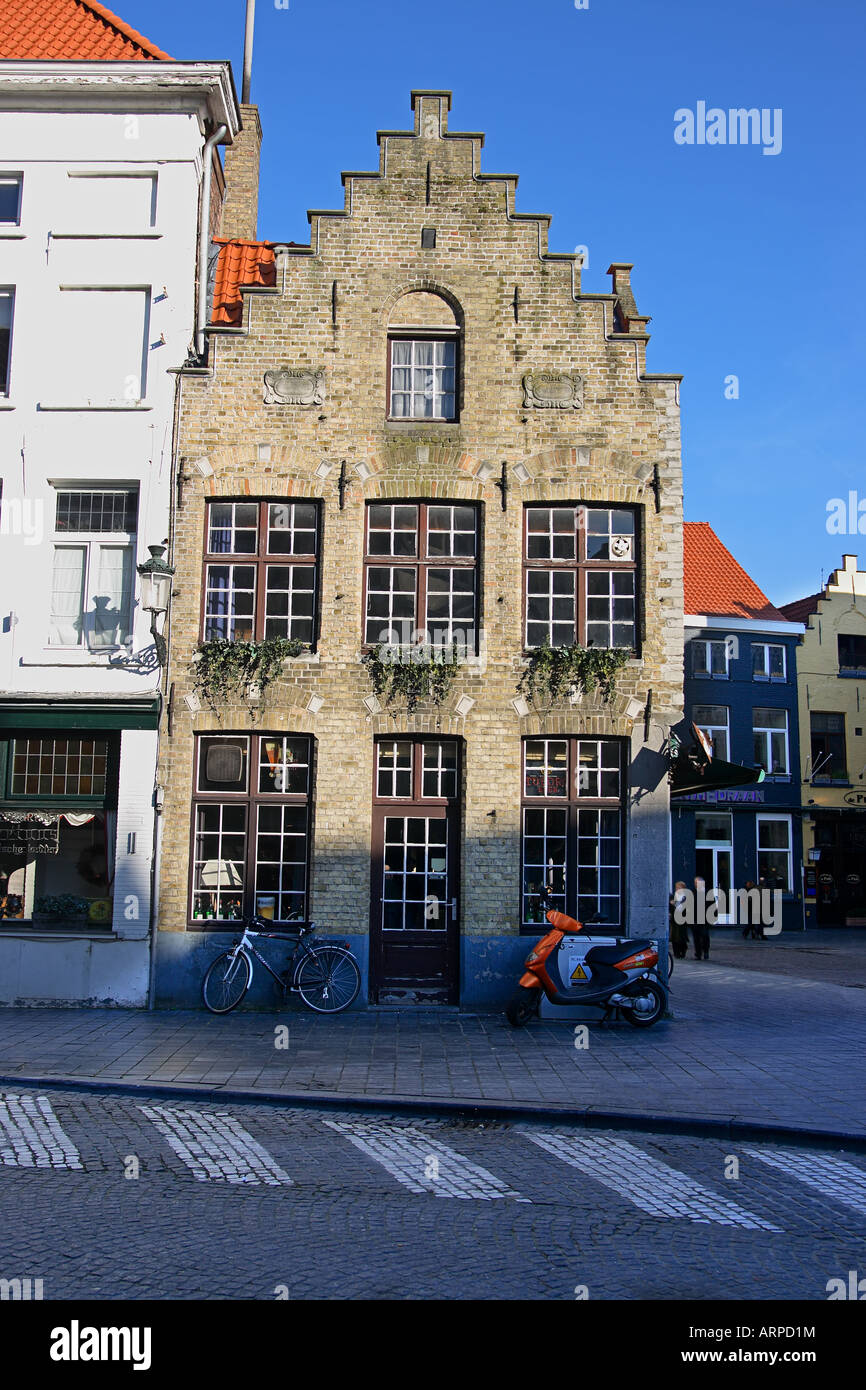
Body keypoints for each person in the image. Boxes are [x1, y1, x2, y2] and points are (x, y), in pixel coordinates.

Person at [669, 881, 689, 959]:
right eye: (676, 888)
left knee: (682, 937)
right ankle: (676, 953)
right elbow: (670, 907)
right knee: (674, 937)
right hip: (674, 919)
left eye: (679, 888)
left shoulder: (686, 897)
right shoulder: (673, 896)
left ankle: (683, 951)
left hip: (683, 919)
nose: (677, 889)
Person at [692, 875, 710, 960]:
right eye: (695, 883)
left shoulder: (707, 893)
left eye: (697, 883)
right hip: (694, 918)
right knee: (696, 937)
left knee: (705, 935)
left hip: (704, 918)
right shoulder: (692, 893)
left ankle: (706, 951)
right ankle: (698, 953)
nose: (696, 884)